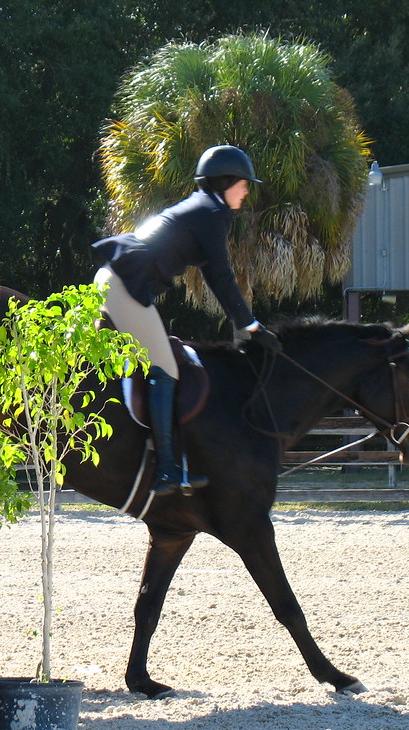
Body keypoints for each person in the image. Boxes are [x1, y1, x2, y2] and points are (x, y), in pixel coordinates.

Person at [92, 144, 282, 496]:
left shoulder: (202, 208)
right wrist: (252, 326)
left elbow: (214, 276)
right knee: (165, 367)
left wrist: (245, 323)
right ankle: (166, 470)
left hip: (118, 282)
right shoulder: (211, 212)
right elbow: (223, 278)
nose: (246, 191)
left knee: (161, 361)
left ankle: (164, 462)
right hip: (122, 287)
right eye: (243, 183)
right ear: (224, 182)